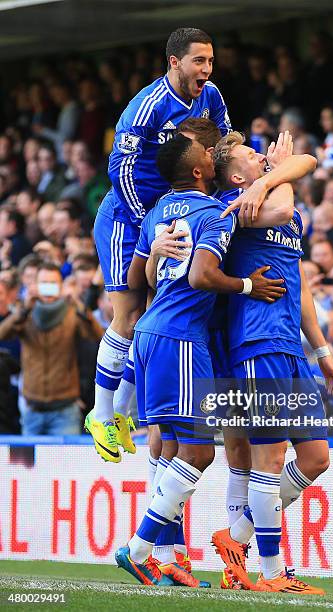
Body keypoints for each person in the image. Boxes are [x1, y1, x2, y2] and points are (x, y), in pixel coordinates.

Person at [114, 135, 285, 588]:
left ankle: (168, 560)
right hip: (183, 338)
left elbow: (138, 278)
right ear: (198, 171)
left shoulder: (157, 213)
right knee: (198, 451)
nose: (211, 154)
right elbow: (202, 274)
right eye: (206, 153)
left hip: (149, 333)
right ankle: (140, 548)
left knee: (170, 447)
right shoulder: (213, 213)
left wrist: (155, 255)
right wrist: (247, 285)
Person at [209, 131, 333, 594]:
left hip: (290, 344)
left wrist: (322, 349)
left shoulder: (275, 200)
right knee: (269, 457)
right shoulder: (237, 205)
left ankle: (236, 536)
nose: (262, 156)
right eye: (252, 155)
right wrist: (271, 179)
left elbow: (299, 284)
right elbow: (284, 204)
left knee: (316, 456)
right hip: (256, 339)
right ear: (234, 175)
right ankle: (270, 573)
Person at [88, 28, 231, 461]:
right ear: (174, 62)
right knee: (128, 315)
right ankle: (100, 414)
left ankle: (127, 414)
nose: (206, 70)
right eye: (198, 62)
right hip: (127, 217)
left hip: (169, 214)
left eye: (210, 61)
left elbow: (222, 145)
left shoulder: (212, 96)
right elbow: (120, 166)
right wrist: (148, 227)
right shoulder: (148, 105)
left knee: (156, 315)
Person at [0, 262, 103, 435]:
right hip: (32, 407)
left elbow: (96, 335)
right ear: (35, 285)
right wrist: (25, 309)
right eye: (44, 284)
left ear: (61, 286)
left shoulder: (71, 311)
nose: (48, 289)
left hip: (65, 409)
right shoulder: (25, 312)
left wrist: (78, 303)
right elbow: (3, 334)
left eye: (53, 284)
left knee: (64, 462)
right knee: (31, 463)